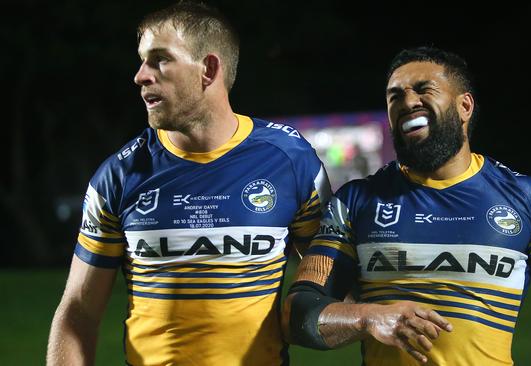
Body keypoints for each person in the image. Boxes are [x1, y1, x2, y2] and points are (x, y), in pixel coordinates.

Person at [282, 46, 531, 365]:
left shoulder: (529, 198)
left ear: (465, 107)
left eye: (423, 89)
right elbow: (299, 314)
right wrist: (368, 317)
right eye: (395, 95)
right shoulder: (357, 201)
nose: (407, 101)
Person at [46, 2, 330, 365]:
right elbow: (78, 313)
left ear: (208, 69)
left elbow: (329, 283)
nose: (140, 75)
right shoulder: (119, 175)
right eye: (142, 60)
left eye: (159, 60)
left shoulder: (291, 160)